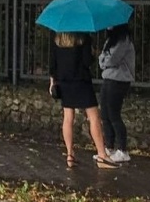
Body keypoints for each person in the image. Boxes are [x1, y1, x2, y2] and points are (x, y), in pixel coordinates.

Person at [50, 32, 116, 168]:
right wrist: (92, 53)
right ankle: (102, 155)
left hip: (64, 82)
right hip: (81, 81)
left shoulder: (57, 40)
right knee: (94, 117)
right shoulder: (83, 38)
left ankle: (69, 154)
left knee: (68, 118)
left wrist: (52, 82)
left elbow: (53, 64)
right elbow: (87, 61)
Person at [98, 24, 136, 164]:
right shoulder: (111, 40)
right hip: (108, 78)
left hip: (119, 80)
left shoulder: (123, 40)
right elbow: (102, 59)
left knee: (114, 114)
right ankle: (110, 147)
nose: (108, 26)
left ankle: (123, 150)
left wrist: (104, 60)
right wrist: (104, 60)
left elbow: (112, 59)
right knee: (105, 114)